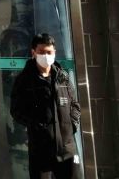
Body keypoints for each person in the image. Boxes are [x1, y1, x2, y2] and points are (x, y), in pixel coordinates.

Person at [10, 32, 81, 179]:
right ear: (33, 53)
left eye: (49, 52)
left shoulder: (62, 77)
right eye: (41, 52)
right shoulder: (24, 80)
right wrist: (36, 125)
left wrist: (72, 125)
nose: (46, 56)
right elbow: (16, 110)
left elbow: (75, 104)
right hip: (40, 150)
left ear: (54, 52)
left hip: (66, 148)